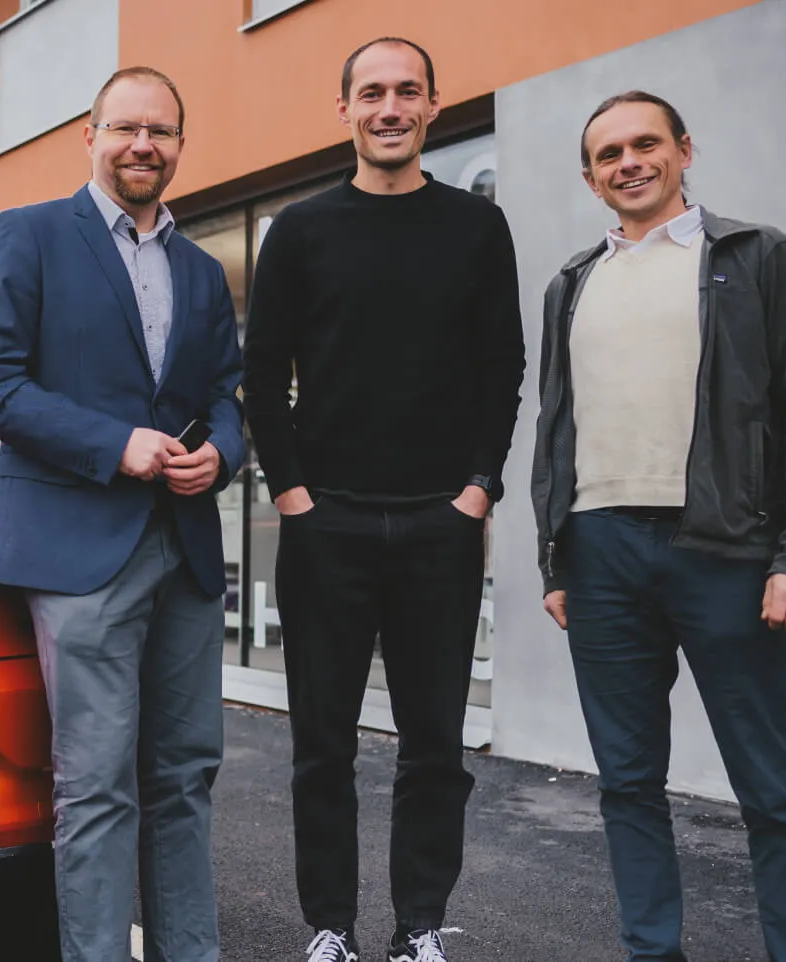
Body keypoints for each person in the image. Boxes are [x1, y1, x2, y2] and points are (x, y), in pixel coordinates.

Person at [530, 90, 786, 962]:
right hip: (599, 553)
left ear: (683, 150)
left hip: (725, 551)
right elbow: (557, 425)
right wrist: (554, 560)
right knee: (627, 784)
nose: (629, 163)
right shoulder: (573, 282)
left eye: (645, 144)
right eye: (609, 155)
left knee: (771, 787)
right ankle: (652, 951)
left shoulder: (756, 257)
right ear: (591, 178)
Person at [0, 66, 244, 962]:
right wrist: (115, 444)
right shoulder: (30, 235)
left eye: (160, 131)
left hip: (185, 549)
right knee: (98, 786)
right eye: (125, 128)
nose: (142, 145)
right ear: (91, 137)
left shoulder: (201, 270)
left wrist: (222, 453)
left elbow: (226, 395)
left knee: (185, 778)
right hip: (76, 551)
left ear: (180, 145)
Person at [243, 37, 526, 962]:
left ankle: (419, 928)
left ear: (434, 106)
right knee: (322, 747)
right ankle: (330, 927)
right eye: (372, 93)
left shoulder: (476, 227)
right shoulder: (300, 230)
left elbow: (503, 367)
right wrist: (292, 495)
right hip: (326, 524)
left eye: (408, 91)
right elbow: (261, 373)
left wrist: (479, 489)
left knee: (434, 747)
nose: (390, 107)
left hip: (441, 524)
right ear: (346, 111)